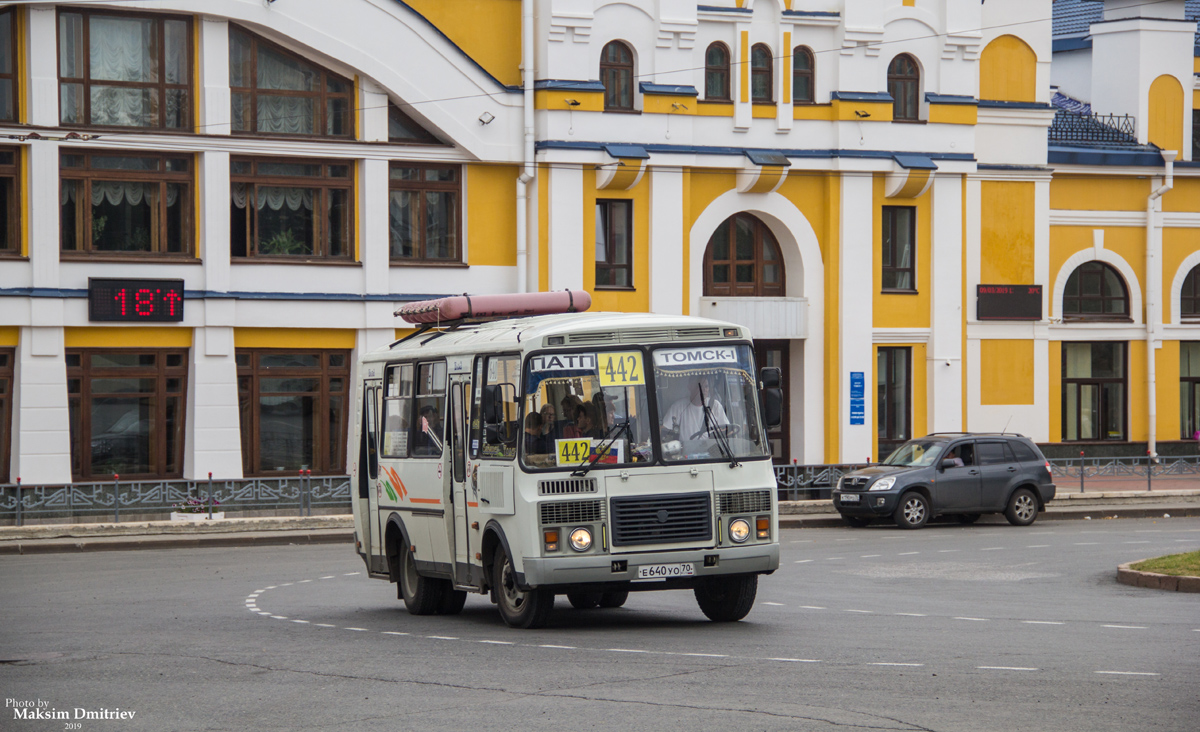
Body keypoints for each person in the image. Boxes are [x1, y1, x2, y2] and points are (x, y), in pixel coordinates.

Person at [660, 376, 729, 442]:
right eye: (700, 386)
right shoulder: (678, 407)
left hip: (711, 450)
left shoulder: (715, 405)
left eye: (706, 386)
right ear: (690, 387)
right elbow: (664, 429)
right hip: (686, 452)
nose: (704, 390)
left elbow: (727, 429)